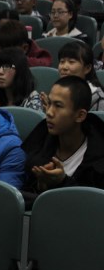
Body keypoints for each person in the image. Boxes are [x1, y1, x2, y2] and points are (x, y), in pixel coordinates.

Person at [23, 76, 104, 208]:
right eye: (49, 103)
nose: (49, 112)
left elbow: (93, 207)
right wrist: (41, 186)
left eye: (58, 106)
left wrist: (62, 181)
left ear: (80, 115)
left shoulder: (99, 158)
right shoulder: (40, 141)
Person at [57, 41, 104, 111]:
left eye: (71, 62)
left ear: (87, 68)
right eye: (62, 62)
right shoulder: (57, 91)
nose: (64, 67)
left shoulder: (97, 99)